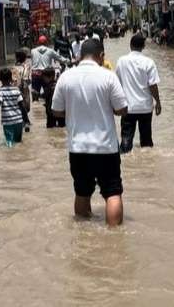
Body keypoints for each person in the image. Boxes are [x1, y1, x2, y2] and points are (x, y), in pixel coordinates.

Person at [51, 39, 129, 227]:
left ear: (79, 56)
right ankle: (114, 238)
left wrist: (74, 110)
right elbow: (122, 109)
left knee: (82, 192)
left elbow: (56, 110)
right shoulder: (108, 76)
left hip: (78, 148)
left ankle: (84, 233)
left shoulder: (66, 77)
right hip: (105, 147)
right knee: (112, 192)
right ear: (101, 56)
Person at [115, 34, 162, 153]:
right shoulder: (148, 62)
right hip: (145, 108)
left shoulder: (121, 61)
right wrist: (158, 102)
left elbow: (117, 84)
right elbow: (153, 85)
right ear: (144, 46)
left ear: (130, 45)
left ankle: (126, 161)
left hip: (128, 108)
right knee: (146, 143)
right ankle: (147, 165)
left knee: (126, 141)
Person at [0, 68, 27, 146]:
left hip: (8, 122)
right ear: (11, 78)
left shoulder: (0, 91)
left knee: (9, 143)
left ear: (0, 79)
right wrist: (26, 120)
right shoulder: (16, 90)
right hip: (19, 121)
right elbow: (22, 105)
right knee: (18, 142)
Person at [31, 35, 67, 102]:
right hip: (47, 75)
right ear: (46, 43)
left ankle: (35, 104)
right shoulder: (50, 51)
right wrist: (68, 61)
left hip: (35, 74)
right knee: (49, 95)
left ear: (38, 43)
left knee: (35, 94)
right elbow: (60, 58)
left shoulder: (33, 51)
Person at [11, 48, 33, 131]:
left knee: (19, 105)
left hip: (16, 88)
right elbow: (28, 79)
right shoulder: (26, 67)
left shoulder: (13, 68)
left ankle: (24, 121)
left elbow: (13, 80)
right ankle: (26, 121)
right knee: (25, 105)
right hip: (24, 88)